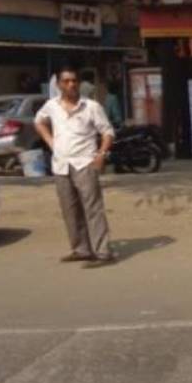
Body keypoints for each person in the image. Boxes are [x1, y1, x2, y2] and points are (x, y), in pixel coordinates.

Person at [34, 65, 117, 264]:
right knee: (69, 209)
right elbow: (39, 121)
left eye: (74, 81)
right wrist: (50, 141)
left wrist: (101, 154)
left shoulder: (91, 106)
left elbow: (108, 132)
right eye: (66, 81)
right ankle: (81, 249)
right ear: (59, 84)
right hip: (61, 165)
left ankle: (103, 252)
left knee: (93, 209)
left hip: (84, 163)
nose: (71, 84)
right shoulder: (51, 106)